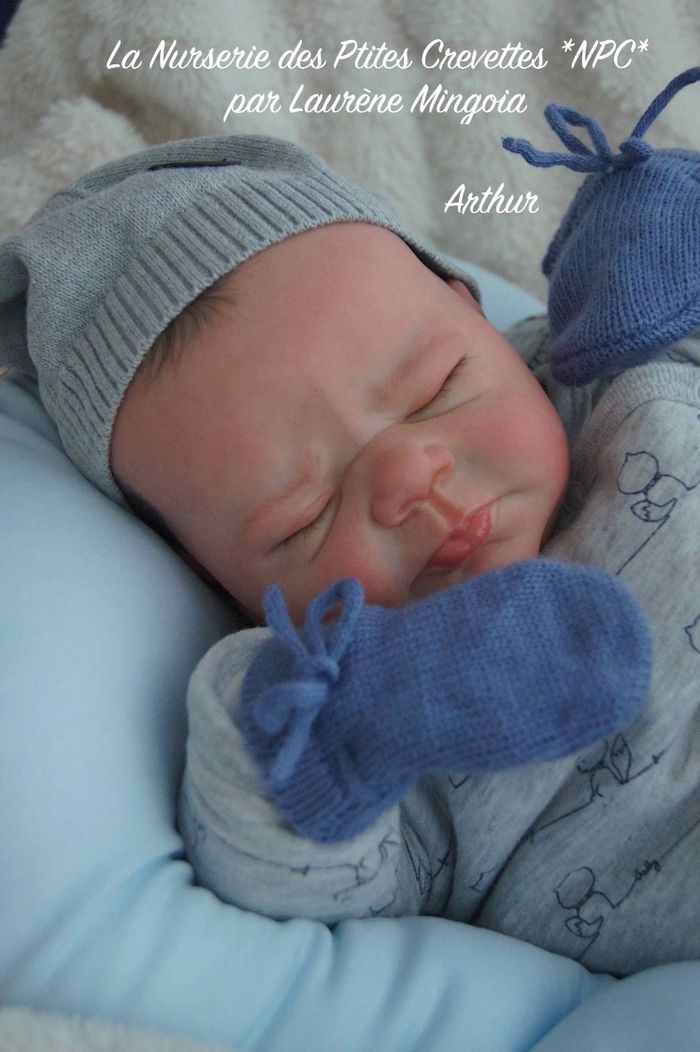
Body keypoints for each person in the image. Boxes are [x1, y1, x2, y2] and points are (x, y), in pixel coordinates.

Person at [0, 67, 697, 977]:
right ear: (222, 584)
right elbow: (284, 872)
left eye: (435, 388)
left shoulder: (622, 376)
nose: (406, 476)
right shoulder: (377, 727)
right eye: (307, 516)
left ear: (475, 315)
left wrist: (656, 227)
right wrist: (354, 728)